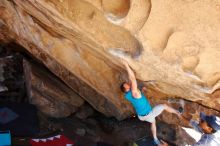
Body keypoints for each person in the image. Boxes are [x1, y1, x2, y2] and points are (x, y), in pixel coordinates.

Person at [120, 59, 182, 146]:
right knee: (163, 106)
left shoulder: (128, 95)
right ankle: (178, 113)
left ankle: (155, 139)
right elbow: (133, 79)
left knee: (153, 122)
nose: (128, 84)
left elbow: (134, 88)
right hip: (148, 114)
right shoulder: (134, 92)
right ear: (126, 89)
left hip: (141, 116)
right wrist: (126, 64)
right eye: (127, 85)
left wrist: (142, 91)